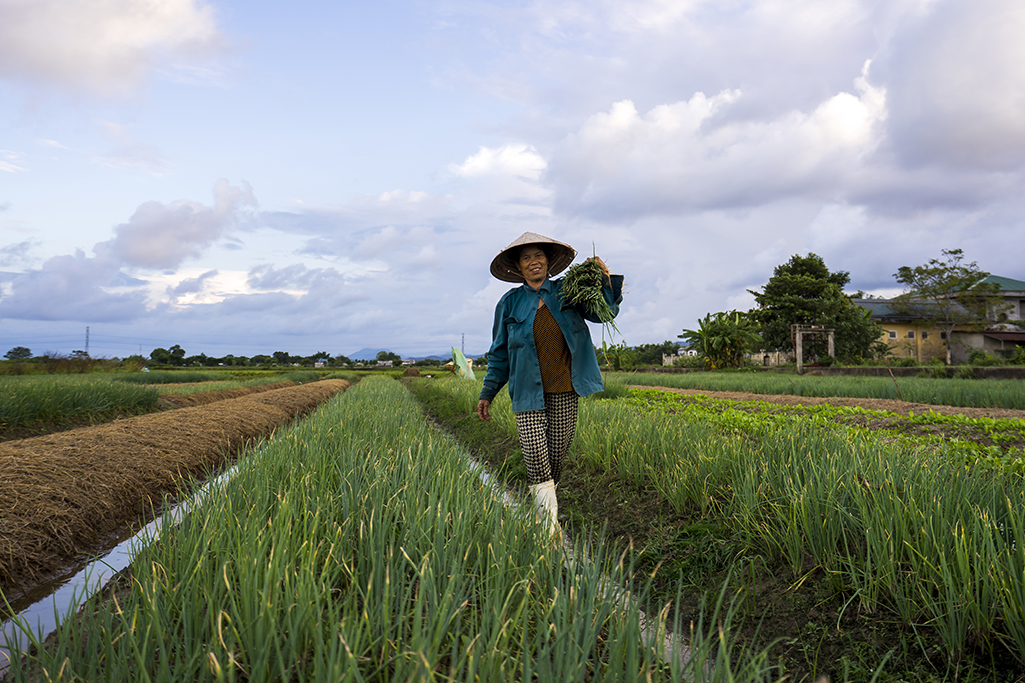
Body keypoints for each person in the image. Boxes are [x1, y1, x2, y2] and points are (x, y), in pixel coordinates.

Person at [477, 231, 624, 540]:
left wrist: (605, 279)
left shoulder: (567, 293)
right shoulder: (509, 303)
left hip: (565, 389)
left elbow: (604, 313)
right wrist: (488, 392)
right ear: (518, 266)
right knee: (535, 455)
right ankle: (548, 529)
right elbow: (499, 353)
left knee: (555, 457)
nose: (534, 262)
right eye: (527, 257)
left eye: (539, 256)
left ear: (548, 262)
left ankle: (544, 512)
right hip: (527, 393)